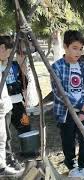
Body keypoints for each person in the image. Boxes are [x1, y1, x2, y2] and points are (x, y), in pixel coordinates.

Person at [51, 30, 84, 179]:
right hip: (66, 113)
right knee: (68, 140)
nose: (78, 52)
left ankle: (83, 165)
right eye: (74, 48)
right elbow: (59, 92)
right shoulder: (57, 67)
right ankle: (72, 166)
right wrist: (80, 104)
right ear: (65, 46)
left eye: (81, 49)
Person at [0, 36, 25, 170]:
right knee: (4, 135)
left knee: (20, 128)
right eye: (9, 52)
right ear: (2, 48)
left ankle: (20, 154)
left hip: (12, 104)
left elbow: (23, 80)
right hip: (3, 106)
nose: (9, 55)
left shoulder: (12, 65)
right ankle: (6, 161)